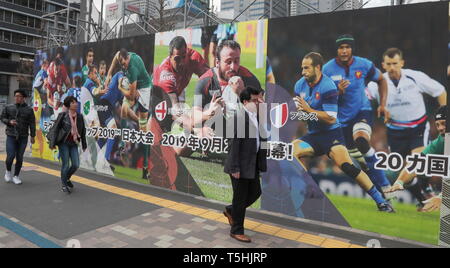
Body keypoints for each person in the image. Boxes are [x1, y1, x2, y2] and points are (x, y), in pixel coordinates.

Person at [293, 52, 394, 213]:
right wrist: (297, 113)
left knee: (347, 167)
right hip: (313, 135)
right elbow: (303, 114)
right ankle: (308, 190)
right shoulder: (299, 85)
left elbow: (331, 118)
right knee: (289, 152)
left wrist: (308, 110)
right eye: (302, 68)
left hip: (331, 135)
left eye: (306, 68)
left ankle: (381, 202)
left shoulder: (328, 86)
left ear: (317, 68)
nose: (303, 72)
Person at [368, 47, 447, 204]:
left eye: (395, 63)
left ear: (402, 63)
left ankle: (427, 187)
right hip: (394, 131)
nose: (392, 67)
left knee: (418, 161)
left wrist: (443, 117)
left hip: (417, 128)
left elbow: (440, 91)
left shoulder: (415, 77)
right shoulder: (375, 84)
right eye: (389, 64)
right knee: (401, 170)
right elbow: (363, 101)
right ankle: (422, 198)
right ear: (383, 65)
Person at [322, 34, 392, 195]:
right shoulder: (327, 69)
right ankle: (380, 191)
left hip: (362, 110)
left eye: (347, 47)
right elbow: (321, 96)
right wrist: (336, 92)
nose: (344, 51)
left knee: (361, 140)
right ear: (336, 50)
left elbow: (381, 80)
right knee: (361, 162)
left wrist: (382, 104)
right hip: (341, 120)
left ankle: (386, 186)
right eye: (341, 47)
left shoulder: (364, 64)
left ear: (352, 49)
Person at [223, 86, 267, 243]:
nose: (259, 102)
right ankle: (236, 230)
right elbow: (234, 144)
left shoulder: (256, 116)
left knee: (255, 192)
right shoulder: (240, 117)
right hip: (240, 166)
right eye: (255, 100)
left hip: (252, 164)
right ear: (245, 102)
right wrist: (235, 168)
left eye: (260, 99)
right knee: (240, 198)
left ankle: (231, 210)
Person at [193, 40, 262, 137]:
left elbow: (262, 115)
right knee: (184, 143)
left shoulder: (249, 79)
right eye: (228, 62)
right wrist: (208, 113)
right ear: (217, 62)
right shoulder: (205, 81)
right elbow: (194, 116)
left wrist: (242, 94)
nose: (233, 67)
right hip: (213, 133)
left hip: (242, 134)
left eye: (236, 61)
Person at [384, 106, 447, 212]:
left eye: (444, 123)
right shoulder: (441, 141)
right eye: (437, 124)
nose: (440, 128)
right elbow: (417, 164)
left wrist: (442, 197)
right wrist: (400, 182)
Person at [105, 48, 152, 179]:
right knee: (124, 109)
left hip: (144, 89)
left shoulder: (132, 68)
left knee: (143, 131)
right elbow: (115, 57)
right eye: (121, 64)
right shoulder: (121, 56)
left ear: (127, 59)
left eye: (124, 63)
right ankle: (123, 144)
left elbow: (131, 96)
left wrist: (120, 88)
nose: (123, 65)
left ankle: (145, 169)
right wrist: (109, 74)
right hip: (134, 85)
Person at [49, 96, 87, 194]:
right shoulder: (62, 115)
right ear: (69, 105)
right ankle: (64, 184)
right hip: (64, 143)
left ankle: (67, 178)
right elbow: (55, 129)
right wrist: (52, 143)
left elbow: (82, 131)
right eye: (73, 102)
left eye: (76, 102)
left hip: (74, 143)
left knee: (75, 164)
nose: (76, 104)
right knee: (65, 165)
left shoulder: (80, 116)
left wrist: (84, 143)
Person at [1, 89, 36, 185]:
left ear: (24, 98)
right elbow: (2, 117)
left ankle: (16, 176)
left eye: (19, 96)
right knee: (10, 156)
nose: (17, 98)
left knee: (19, 158)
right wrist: (9, 122)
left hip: (23, 137)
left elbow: (32, 124)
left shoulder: (29, 110)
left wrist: (33, 136)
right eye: (16, 96)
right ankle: (8, 172)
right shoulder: (8, 107)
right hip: (11, 135)